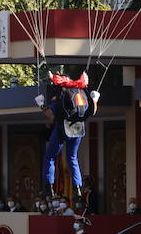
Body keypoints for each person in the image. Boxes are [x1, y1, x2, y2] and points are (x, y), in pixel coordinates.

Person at [37, 70, 99, 198]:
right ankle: (77, 187)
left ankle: (49, 188)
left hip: (63, 127)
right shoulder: (81, 92)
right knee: (72, 157)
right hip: (78, 128)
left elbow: (51, 114)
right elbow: (92, 112)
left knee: (50, 157)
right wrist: (95, 100)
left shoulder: (60, 94)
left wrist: (42, 106)